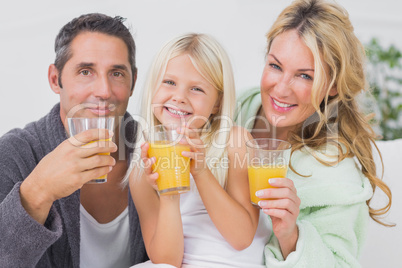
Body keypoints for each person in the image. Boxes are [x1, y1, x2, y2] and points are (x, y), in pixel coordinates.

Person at [234, 0, 394, 267]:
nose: (281, 89)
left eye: (305, 76)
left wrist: (290, 235)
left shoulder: (336, 172)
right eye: (275, 66)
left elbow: (340, 263)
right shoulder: (236, 107)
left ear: (332, 86)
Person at [0, 13, 148, 267]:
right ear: (55, 79)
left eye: (117, 73)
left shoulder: (156, 148)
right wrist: (38, 192)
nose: (103, 91)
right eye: (85, 71)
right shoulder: (14, 154)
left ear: (133, 81)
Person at [128, 33, 270, 268]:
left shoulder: (234, 142)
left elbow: (242, 238)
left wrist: (201, 172)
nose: (179, 97)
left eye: (196, 88)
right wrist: (169, 195)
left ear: (217, 103)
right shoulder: (141, 169)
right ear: (153, 85)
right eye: (169, 82)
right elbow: (165, 261)